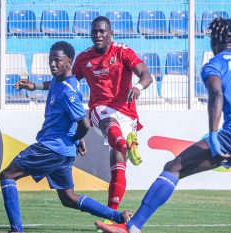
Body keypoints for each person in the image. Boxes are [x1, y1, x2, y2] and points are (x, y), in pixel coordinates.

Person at [95, 17, 231, 233]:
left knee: (174, 168)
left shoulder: (214, 65)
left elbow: (216, 94)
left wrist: (214, 135)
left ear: (213, 40)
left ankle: (132, 227)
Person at [0, 41, 132, 233]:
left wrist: (75, 138)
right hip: (61, 152)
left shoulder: (69, 91)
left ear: (69, 62)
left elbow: (84, 124)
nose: (52, 64)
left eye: (57, 60)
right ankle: (118, 216)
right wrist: (34, 85)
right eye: (51, 60)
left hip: (50, 148)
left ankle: (16, 229)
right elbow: (53, 89)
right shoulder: (58, 80)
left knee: (7, 175)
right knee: (69, 198)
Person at [72, 16, 153, 220]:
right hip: (100, 109)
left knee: (118, 167)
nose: (97, 35)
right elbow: (68, 85)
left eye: (101, 31)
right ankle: (127, 145)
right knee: (109, 123)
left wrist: (137, 87)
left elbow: (146, 74)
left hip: (126, 112)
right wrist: (37, 86)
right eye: (94, 32)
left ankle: (111, 218)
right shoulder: (83, 59)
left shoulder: (122, 52)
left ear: (111, 33)